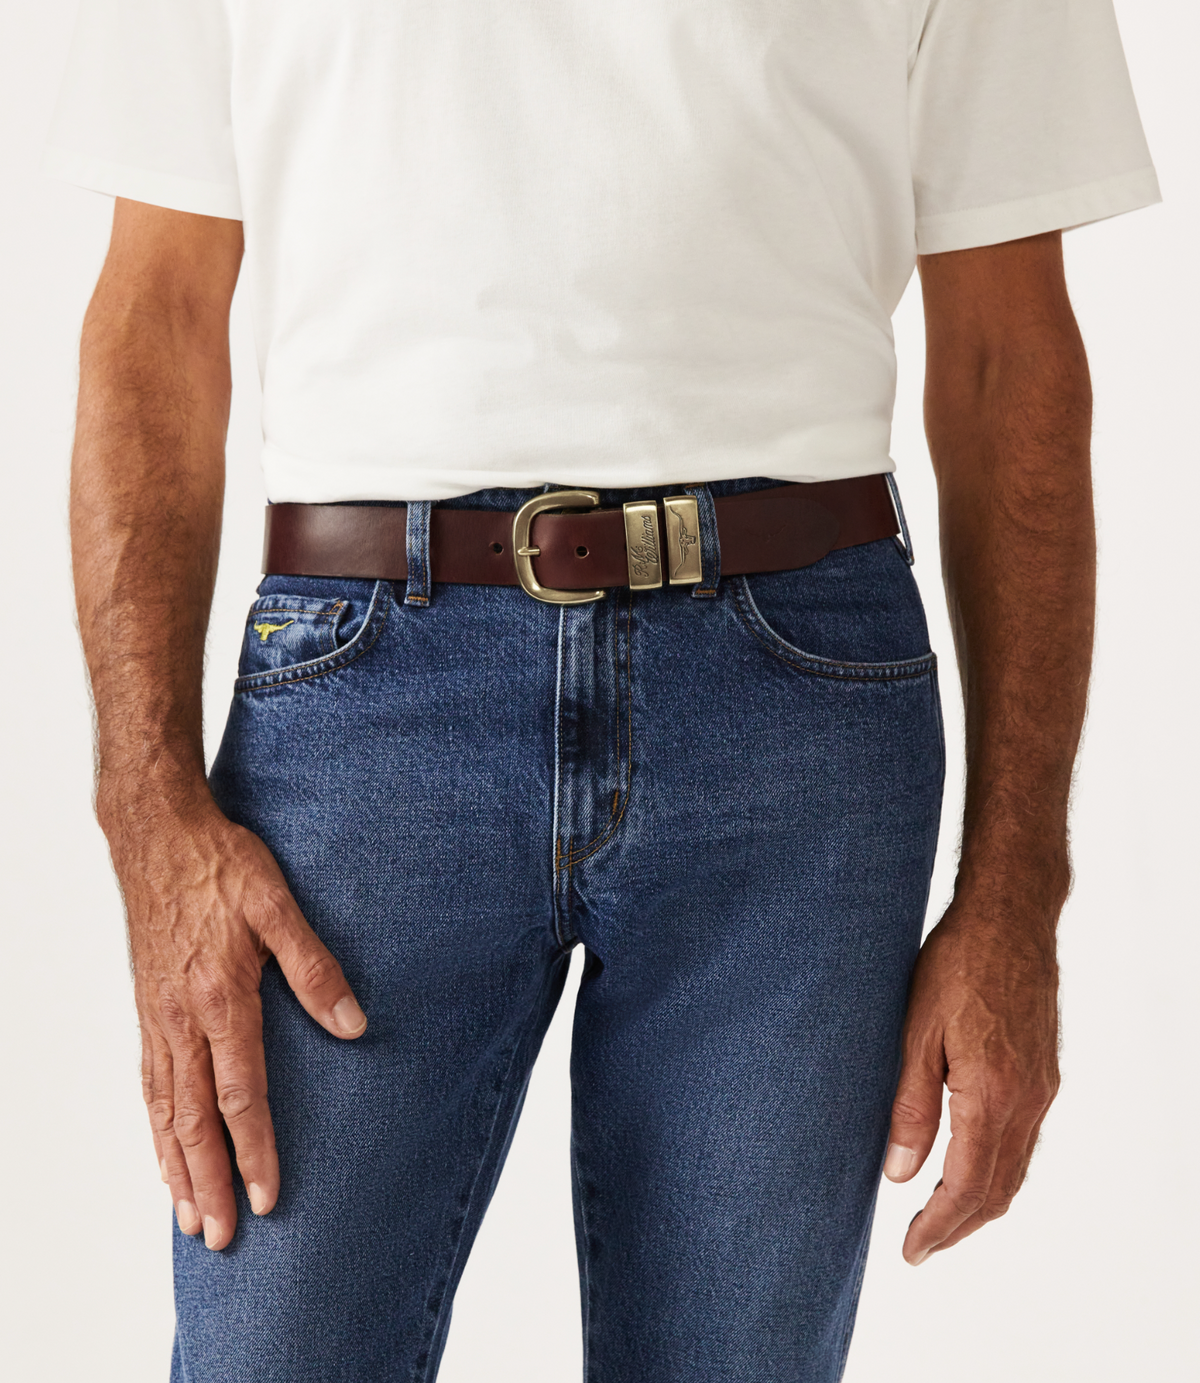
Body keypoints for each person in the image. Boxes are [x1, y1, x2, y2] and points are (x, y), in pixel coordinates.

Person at [47, 1, 1158, 1379]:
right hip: (365, 699)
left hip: (794, 708)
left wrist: (1016, 888)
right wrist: (144, 814)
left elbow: (1012, 361)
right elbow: (152, 320)